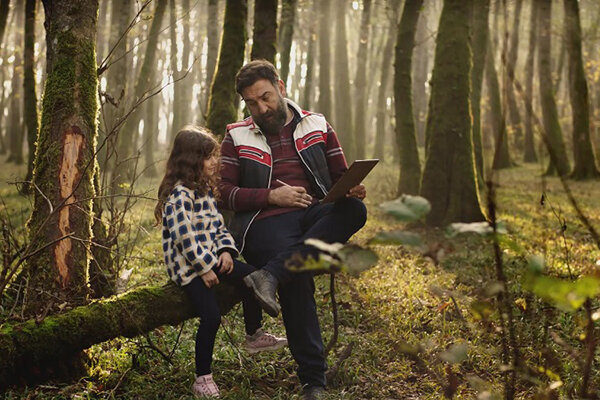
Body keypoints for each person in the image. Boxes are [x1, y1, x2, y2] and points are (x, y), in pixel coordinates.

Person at [219, 60, 367, 399]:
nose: (261, 108)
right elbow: (224, 194)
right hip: (263, 224)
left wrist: (351, 189)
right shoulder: (236, 134)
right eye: (252, 103)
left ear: (281, 87)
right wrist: (272, 195)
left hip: (314, 213)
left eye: (266, 97)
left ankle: (269, 274)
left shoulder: (317, 124)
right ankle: (314, 381)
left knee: (355, 210)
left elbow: (338, 177)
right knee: (297, 276)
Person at [155, 126, 287, 398]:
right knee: (211, 315)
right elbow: (185, 238)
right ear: (191, 160)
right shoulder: (180, 195)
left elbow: (218, 228)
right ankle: (202, 377)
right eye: (208, 157)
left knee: (255, 277)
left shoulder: (203, 191)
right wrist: (204, 268)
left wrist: (226, 251)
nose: (215, 161)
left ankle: (253, 335)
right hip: (187, 267)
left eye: (214, 155)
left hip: (212, 258)